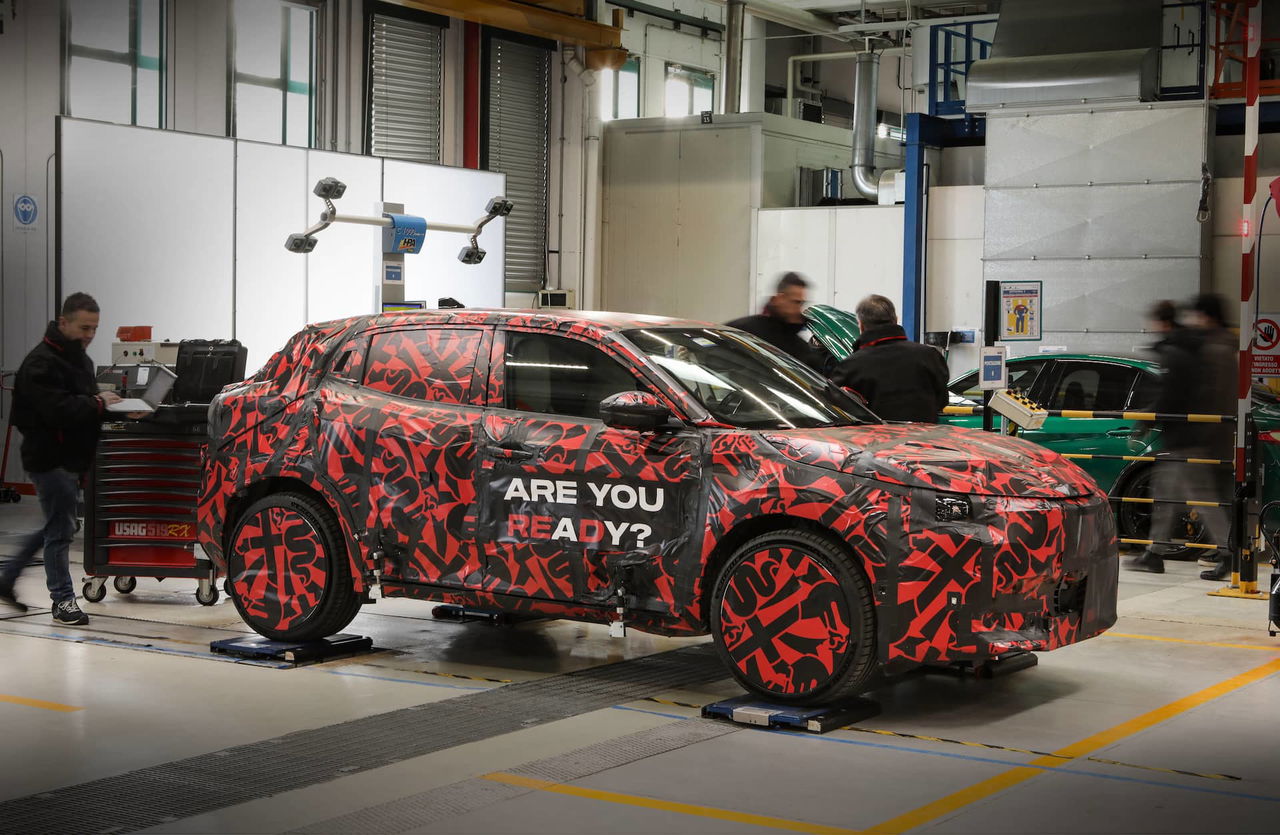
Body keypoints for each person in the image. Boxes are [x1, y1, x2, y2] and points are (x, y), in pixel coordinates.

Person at [0, 293, 122, 624]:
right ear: (63, 322)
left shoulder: (78, 358)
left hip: (72, 459)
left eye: (95, 329)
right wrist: (98, 403)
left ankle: (7, 579)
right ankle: (62, 600)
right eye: (84, 327)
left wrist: (114, 408)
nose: (90, 335)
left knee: (57, 525)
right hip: (49, 459)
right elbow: (57, 410)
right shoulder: (40, 363)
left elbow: (83, 402)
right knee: (60, 529)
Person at [1125, 298, 1232, 575]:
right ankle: (1154, 552)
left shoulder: (1176, 353)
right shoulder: (1191, 348)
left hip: (1186, 439)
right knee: (1168, 496)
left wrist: (1145, 422)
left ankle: (1228, 551)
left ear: (1161, 322)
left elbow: (1169, 397)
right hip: (1189, 437)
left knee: (1199, 498)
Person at [830, 294, 949, 423]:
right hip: (926, 439)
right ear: (896, 320)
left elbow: (834, 409)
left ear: (861, 326)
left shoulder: (850, 366)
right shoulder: (930, 355)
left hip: (875, 441)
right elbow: (942, 401)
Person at [1187, 293, 1239, 581]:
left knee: (1210, 499)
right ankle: (1228, 552)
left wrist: (1200, 434)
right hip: (1221, 437)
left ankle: (1228, 555)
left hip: (1211, 438)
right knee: (1218, 499)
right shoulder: (1225, 347)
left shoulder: (1215, 350)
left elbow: (1210, 396)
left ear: (1207, 316)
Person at [726, 273, 832, 373]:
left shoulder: (802, 349)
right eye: (796, 302)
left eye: (802, 303)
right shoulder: (744, 331)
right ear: (779, 299)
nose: (799, 309)